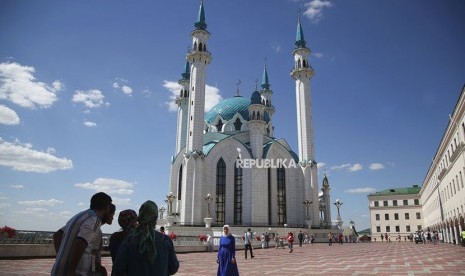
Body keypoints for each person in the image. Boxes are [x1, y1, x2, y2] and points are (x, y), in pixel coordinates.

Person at [52, 192, 113, 276]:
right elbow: (80, 243)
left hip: (59, 270)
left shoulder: (80, 216)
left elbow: (57, 235)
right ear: (107, 207)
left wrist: (62, 258)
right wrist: (71, 270)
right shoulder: (94, 220)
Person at [112, 200, 179, 276]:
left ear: (140, 216)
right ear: (155, 217)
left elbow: (118, 269)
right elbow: (174, 268)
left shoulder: (129, 241)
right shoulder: (165, 240)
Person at [90, 203, 116, 276]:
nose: (112, 218)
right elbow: (93, 254)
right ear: (107, 213)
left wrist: (106, 248)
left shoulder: (94, 228)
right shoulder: (97, 231)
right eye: (112, 214)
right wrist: (99, 268)